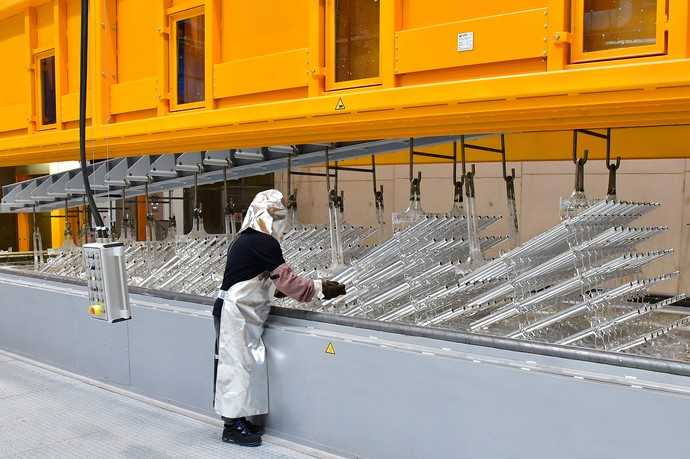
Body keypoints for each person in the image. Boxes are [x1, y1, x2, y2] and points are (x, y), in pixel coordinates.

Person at [213, 189, 346, 447]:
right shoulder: (264, 242)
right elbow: (287, 280)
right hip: (235, 314)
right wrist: (319, 288)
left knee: (246, 367)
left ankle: (241, 420)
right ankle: (231, 427)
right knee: (238, 368)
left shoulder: (243, 239)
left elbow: (261, 279)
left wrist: (282, 291)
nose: (280, 222)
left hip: (235, 311)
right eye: (277, 216)